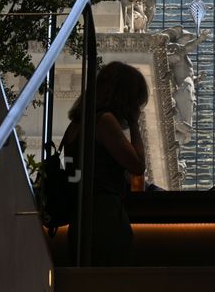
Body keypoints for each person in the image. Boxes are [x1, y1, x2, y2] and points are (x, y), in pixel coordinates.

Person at [60, 61, 149, 266]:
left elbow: (81, 172)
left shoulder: (77, 124)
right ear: (125, 98)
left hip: (80, 217)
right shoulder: (104, 121)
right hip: (105, 216)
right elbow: (137, 165)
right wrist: (135, 124)